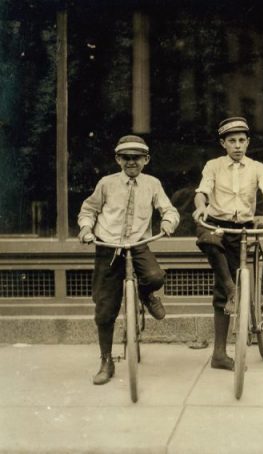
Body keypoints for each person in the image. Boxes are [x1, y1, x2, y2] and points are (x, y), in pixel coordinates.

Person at [192, 117, 263, 371]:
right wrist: (202, 208)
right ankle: (230, 294)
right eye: (231, 141)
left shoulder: (257, 167)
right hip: (216, 223)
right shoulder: (213, 166)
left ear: (247, 142)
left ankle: (231, 290)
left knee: (226, 289)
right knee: (208, 238)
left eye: (241, 140)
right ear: (223, 143)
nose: (237, 145)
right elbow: (202, 191)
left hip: (242, 230)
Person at [78, 135, 179, 385]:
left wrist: (168, 222)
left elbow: (169, 209)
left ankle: (146, 294)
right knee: (105, 309)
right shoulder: (106, 183)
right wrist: (85, 228)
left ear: (146, 160)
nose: (131, 162)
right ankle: (106, 360)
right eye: (126, 158)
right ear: (118, 159)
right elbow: (88, 210)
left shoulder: (153, 184)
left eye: (137, 158)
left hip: (137, 245)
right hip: (108, 246)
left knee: (155, 276)